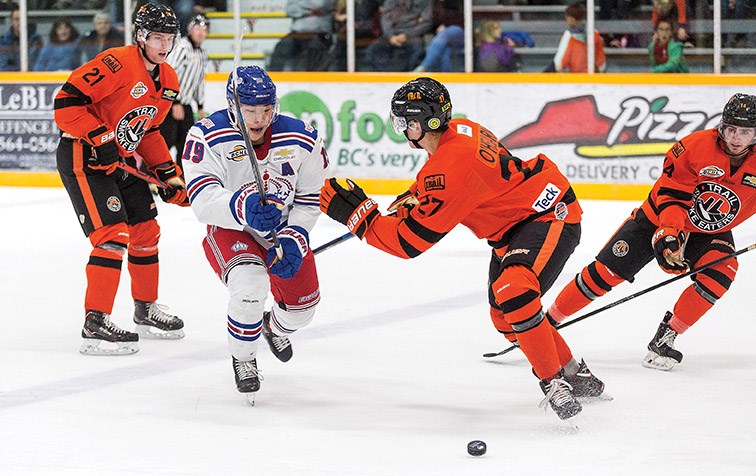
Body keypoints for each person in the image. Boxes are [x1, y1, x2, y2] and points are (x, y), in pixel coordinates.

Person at [319, 77, 606, 420]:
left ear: (420, 122)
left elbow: (408, 243)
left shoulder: (449, 168)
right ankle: (577, 374)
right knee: (505, 318)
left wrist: (357, 216)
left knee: (514, 292)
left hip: (548, 214)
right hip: (515, 223)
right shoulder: (462, 129)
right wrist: (416, 195)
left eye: (403, 122)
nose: (401, 129)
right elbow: (455, 180)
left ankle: (553, 382)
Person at [545, 93, 756, 372]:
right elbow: (673, 196)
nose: (736, 137)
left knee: (721, 272)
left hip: (709, 232)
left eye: (745, 131)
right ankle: (545, 326)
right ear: (721, 126)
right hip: (657, 219)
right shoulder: (694, 148)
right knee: (606, 273)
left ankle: (666, 336)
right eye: (730, 129)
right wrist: (669, 233)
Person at [182, 66, 330, 404]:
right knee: (250, 286)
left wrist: (295, 236)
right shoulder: (207, 135)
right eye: (250, 110)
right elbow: (203, 200)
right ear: (234, 106)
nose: (259, 118)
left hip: (281, 231)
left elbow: (309, 199)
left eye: (266, 109)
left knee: (302, 311)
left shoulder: (302, 138)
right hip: (231, 227)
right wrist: (241, 206)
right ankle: (244, 358)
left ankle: (272, 326)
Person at [54, 3, 189, 356]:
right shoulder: (117, 62)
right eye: (156, 37)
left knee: (147, 230)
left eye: (169, 38)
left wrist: (167, 174)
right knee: (112, 236)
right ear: (140, 36)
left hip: (121, 160)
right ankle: (95, 322)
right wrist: (100, 136)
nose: (163, 45)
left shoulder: (169, 79)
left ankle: (145, 309)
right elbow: (66, 104)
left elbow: (150, 130)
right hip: (85, 158)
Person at [159, 13, 208, 168]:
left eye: (204, 29)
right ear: (189, 30)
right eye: (197, 28)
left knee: (186, 144)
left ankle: (180, 177)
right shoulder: (182, 47)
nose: (201, 32)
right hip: (170, 102)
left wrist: (200, 106)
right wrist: (175, 101)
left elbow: (199, 81)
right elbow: (169, 72)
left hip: (185, 104)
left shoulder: (202, 53)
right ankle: (148, 176)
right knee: (166, 141)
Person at [364, 0, 433, 72]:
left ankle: (409, 75)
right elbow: (385, 19)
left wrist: (407, 35)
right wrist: (391, 36)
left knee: (417, 48)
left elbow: (427, 22)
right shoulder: (390, 1)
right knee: (373, 49)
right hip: (392, 34)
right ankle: (389, 75)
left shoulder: (424, 1)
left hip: (413, 35)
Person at [267, 0, 336, 72]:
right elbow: (289, 10)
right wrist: (309, 11)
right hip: (297, 33)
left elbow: (320, 4)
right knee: (281, 47)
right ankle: (275, 79)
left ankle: (311, 80)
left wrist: (300, 6)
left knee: (314, 52)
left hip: (320, 33)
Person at [549, 1, 606, 73]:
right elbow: (601, 63)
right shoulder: (594, 33)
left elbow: (559, 63)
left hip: (574, 77)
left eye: (567, 17)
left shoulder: (569, 35)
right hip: (593, 77)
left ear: (571, 19)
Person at [0, 3, 43, 71]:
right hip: (11, 79)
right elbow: (3, 66)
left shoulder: (36, 39)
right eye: (17, 19)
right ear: (11, 22)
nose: (20, 22)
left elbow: (37, 64)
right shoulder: (3, 41)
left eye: (22, 19)